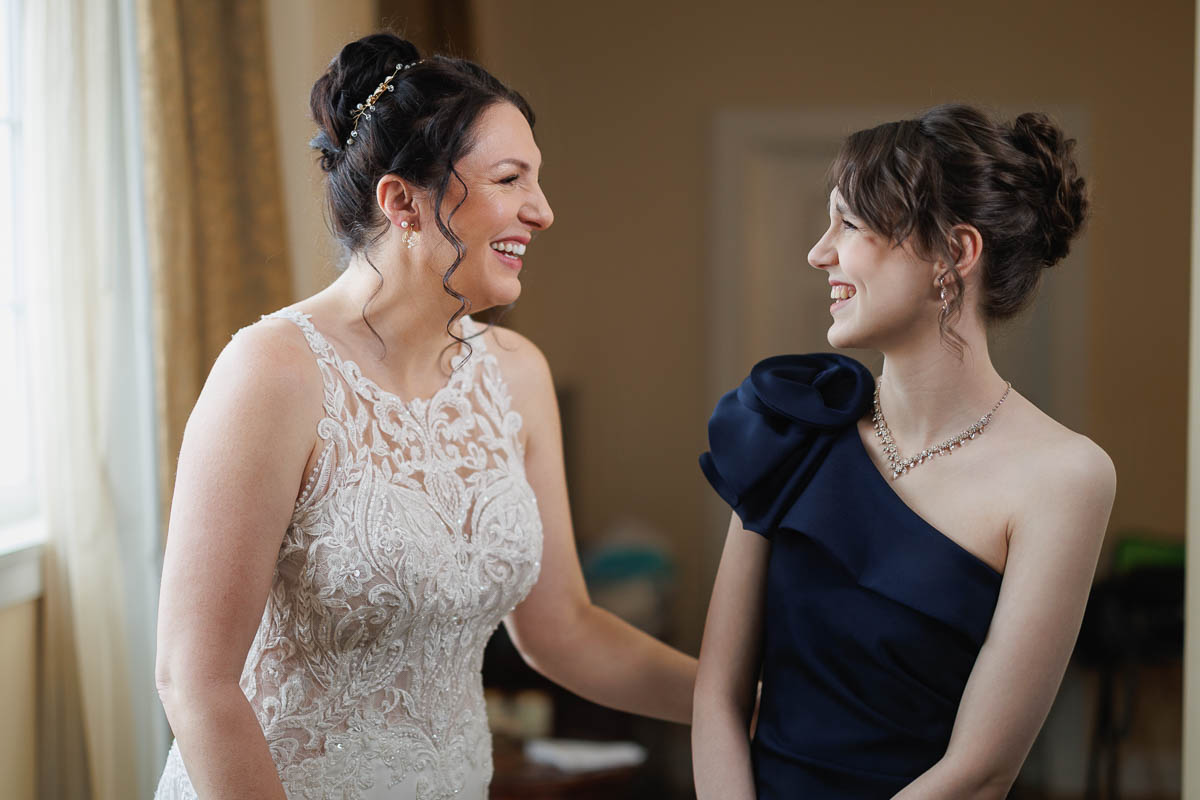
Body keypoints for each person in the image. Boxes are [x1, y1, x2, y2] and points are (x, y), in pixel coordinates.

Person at [153, 33, 695, 800]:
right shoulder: (271, 372)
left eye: (536, 181)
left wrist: (745, 704)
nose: (541, 211)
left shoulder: (517, 375)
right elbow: (193, 681)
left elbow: (565, 630)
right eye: (511, 179)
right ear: (403, 200)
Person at [692, 104, 1116, 799]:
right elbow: (718, 696)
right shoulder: (795, 425)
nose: (818, 252)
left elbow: (980, 771)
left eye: (849, 224)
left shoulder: (1065, 477)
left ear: (955, 254)